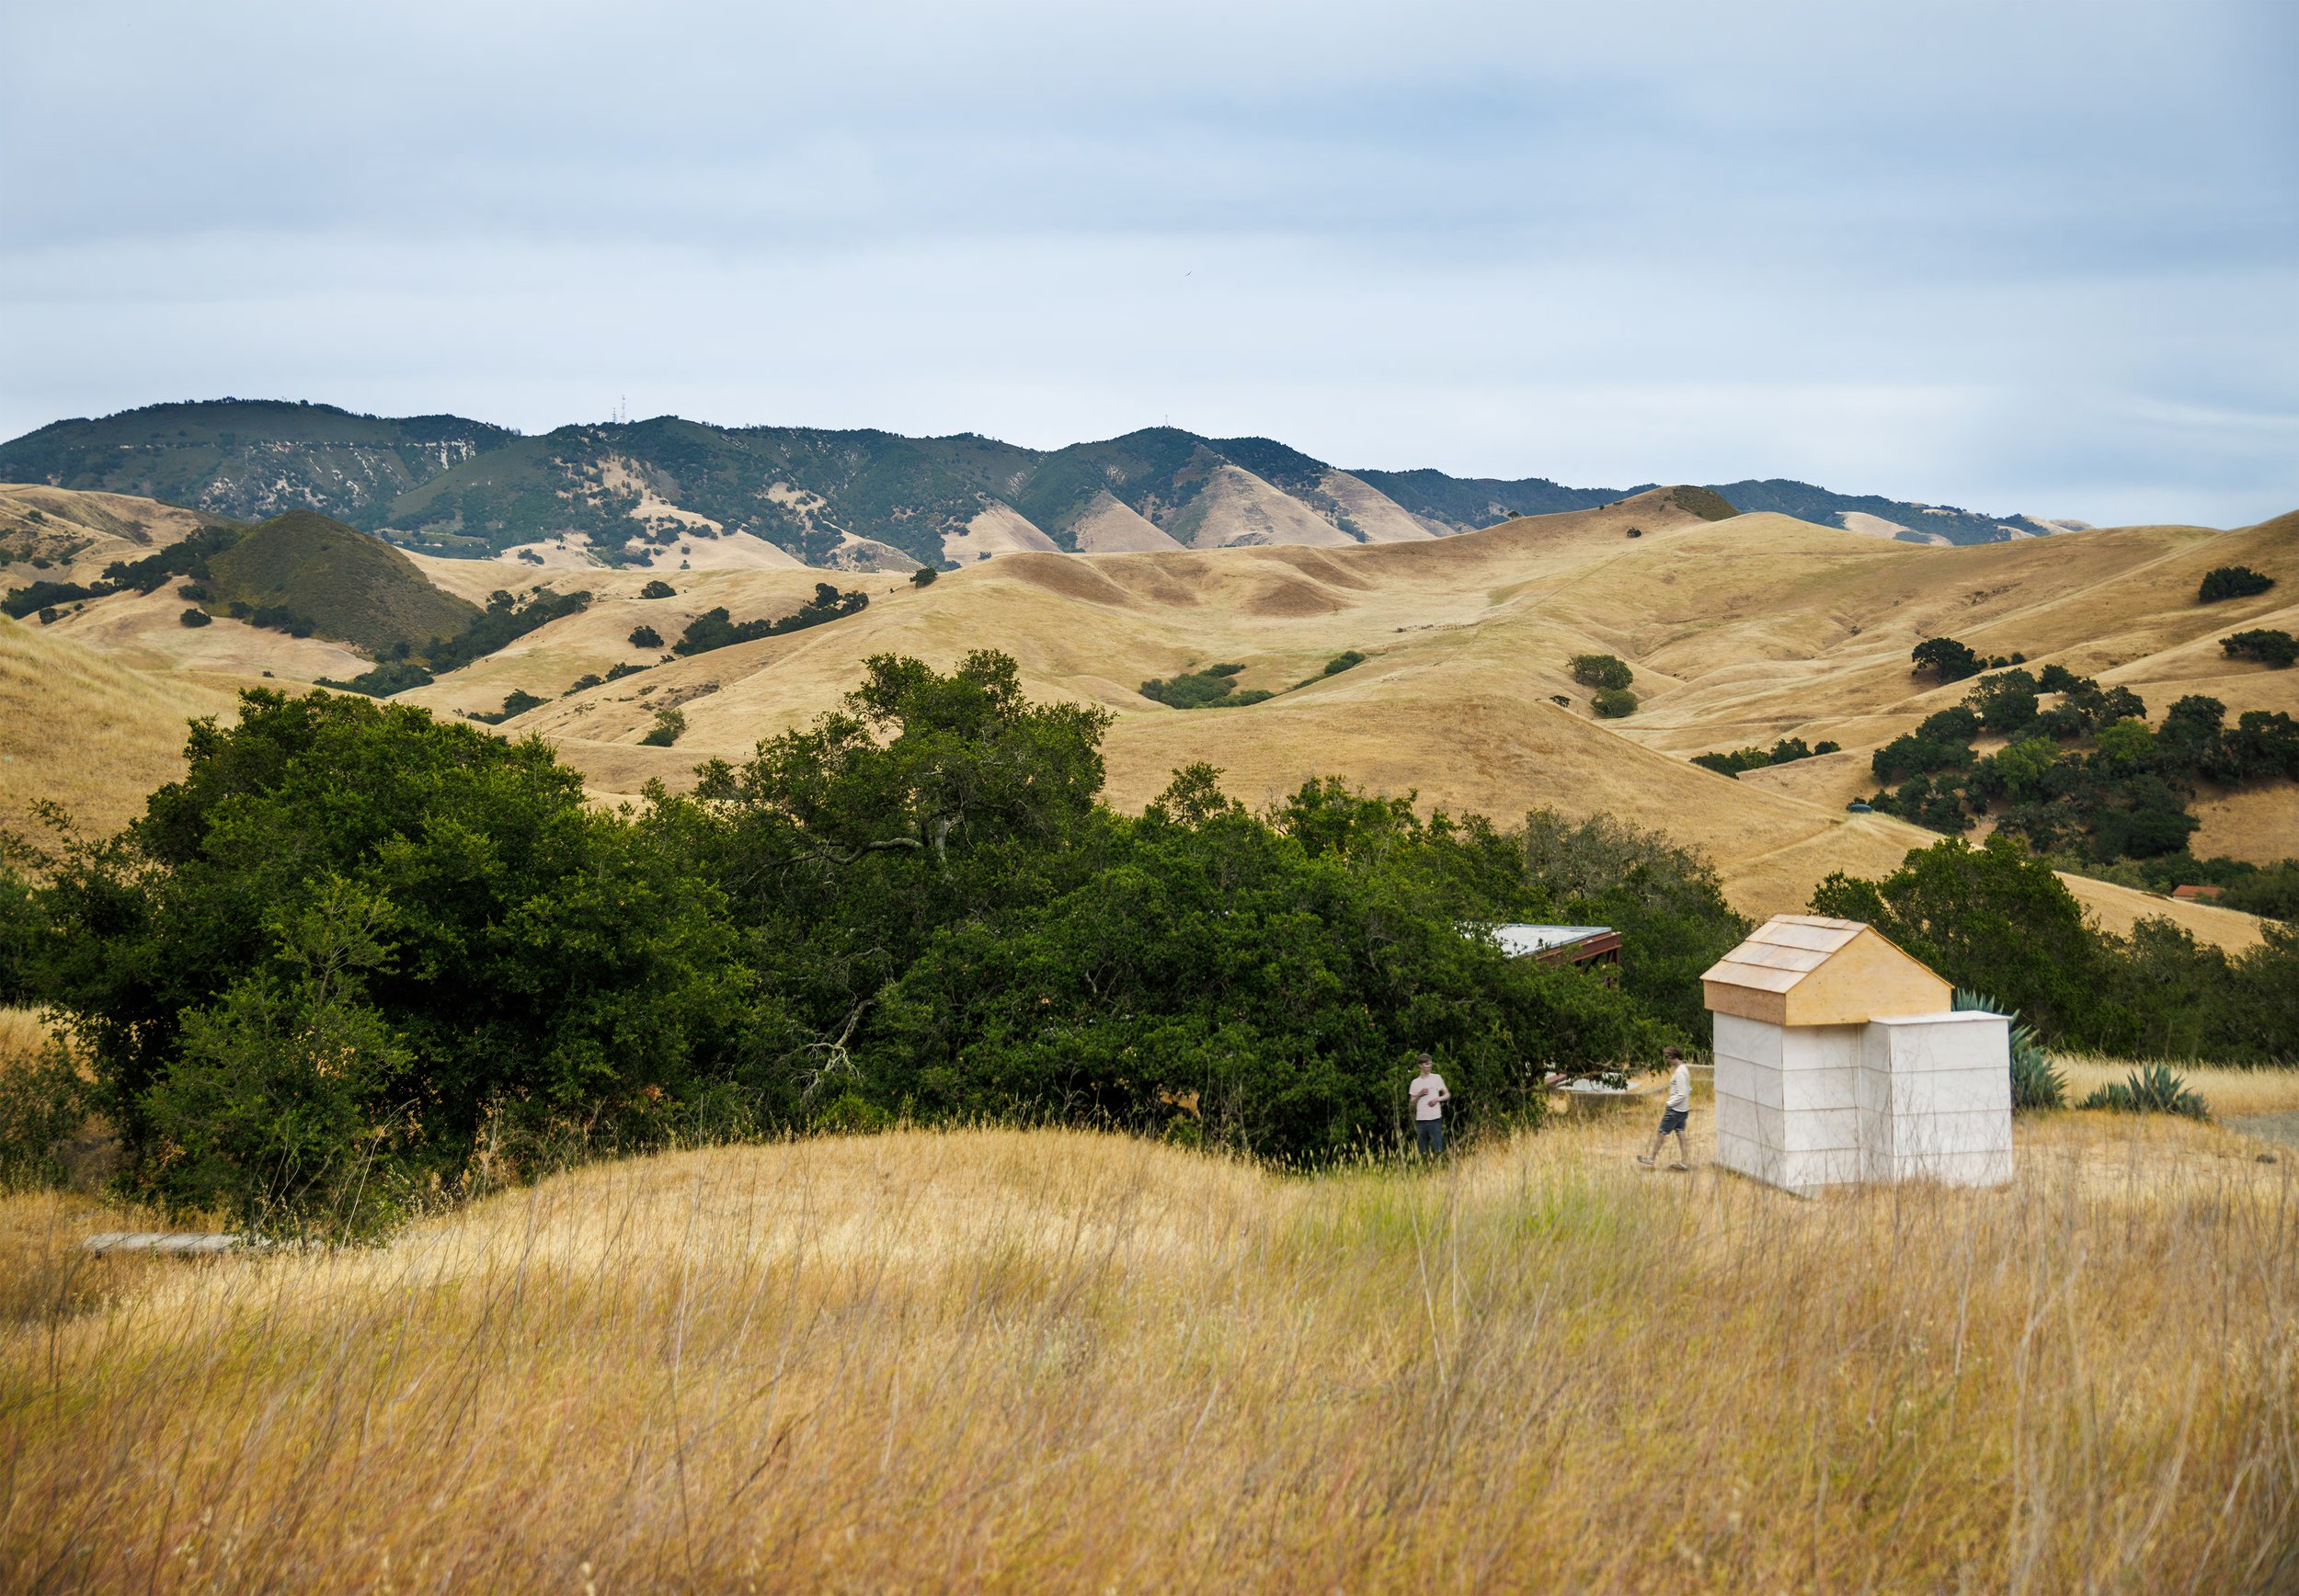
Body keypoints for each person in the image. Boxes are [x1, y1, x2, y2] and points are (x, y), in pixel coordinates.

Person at [1638, 1046, 1693, 1170]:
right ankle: (1684, 1162)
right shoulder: (1683, 1069)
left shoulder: (1680, 1072)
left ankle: (1651, 1159)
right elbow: (1688, 1089)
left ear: (1674, 1056)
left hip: (1675, 1110)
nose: (1667, 1060)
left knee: (1661, 1133)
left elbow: (1683, 1093)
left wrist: (1670, 1103)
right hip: (1682, 1110)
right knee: (1680, 1133)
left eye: (1668, 1057)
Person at [1408, 1054, 1450, 1157]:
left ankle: (1438, 1168)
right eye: (1427, 1064)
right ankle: (1427, 1170)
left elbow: (1447, 1094)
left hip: (1435, 1119)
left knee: (1438, 1149)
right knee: (1423, 1151)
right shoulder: (1415, 1083)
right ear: (1420, 1065)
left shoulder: (1437, 1078)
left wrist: (1437, 1099)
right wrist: (1419, 1094)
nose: (1429, 1066)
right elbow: (1411, 1104)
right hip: (1421, 1121)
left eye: (1430, 1064)